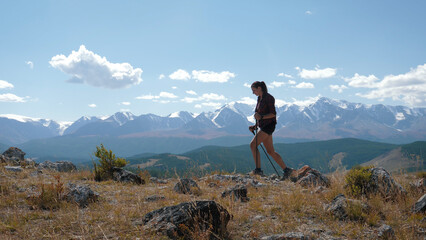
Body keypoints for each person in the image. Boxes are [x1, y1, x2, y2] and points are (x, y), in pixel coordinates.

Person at [249, 81, 293, 179]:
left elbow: (273, 114)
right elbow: (260, 116)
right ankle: (287, 170)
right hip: (264, 126)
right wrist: (255, 126)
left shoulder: (269, 98)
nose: (253, 93)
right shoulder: (259, 98)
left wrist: (260, 117)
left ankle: (258, 170)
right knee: (270, 151)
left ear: (259, 88)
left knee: (253, 145)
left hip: (268, 126)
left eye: (254, 90)